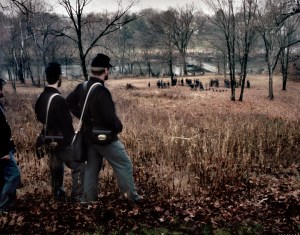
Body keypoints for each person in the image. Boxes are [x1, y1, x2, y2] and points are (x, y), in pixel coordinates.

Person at [66, 53, 140, 203]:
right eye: (108, 70)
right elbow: (109, 118)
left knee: (92, 168)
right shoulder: (102, 91)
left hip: (88, 137)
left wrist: (85, 117)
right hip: (105, 139)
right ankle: (132, 199)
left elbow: (69, 102)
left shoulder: (82, 87)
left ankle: (88, 201)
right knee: (124, 163)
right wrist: (118, 127)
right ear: (106, 70)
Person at [35, 63, 85, 202]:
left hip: (49, 140)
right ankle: (77, 198)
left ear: (47, 77)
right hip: (62, 142)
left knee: (56, 170)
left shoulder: (41, 98)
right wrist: (73, 141)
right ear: (60, 77)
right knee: (80, 166)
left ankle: (58, 197)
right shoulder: (59, 100)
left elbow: (40, 117)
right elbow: (67, 126)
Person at [0, 78, 21, 212]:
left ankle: (9, 206)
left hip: (6, 148)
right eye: (0, 88)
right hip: (3, 150)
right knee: (14, 175)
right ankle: (3, 207)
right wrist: (3, 152)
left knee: (3, 178)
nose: (2, 91)